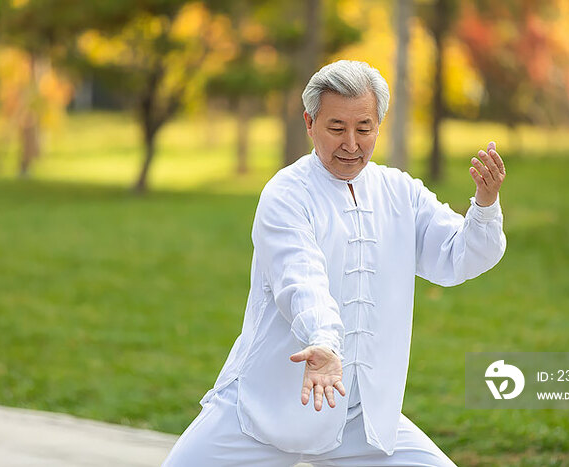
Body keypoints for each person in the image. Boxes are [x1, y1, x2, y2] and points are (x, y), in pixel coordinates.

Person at [163, 60, 506, 467]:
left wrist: (484, 207)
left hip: (361, 418)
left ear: (379, 125)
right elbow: (302, 279)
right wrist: (323, 343)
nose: (351, 143)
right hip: (266, 407)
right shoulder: (286, 194)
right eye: (336, 128)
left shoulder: (399, 191)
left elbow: (457, 255)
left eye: (364, 128)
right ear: (309, 123)